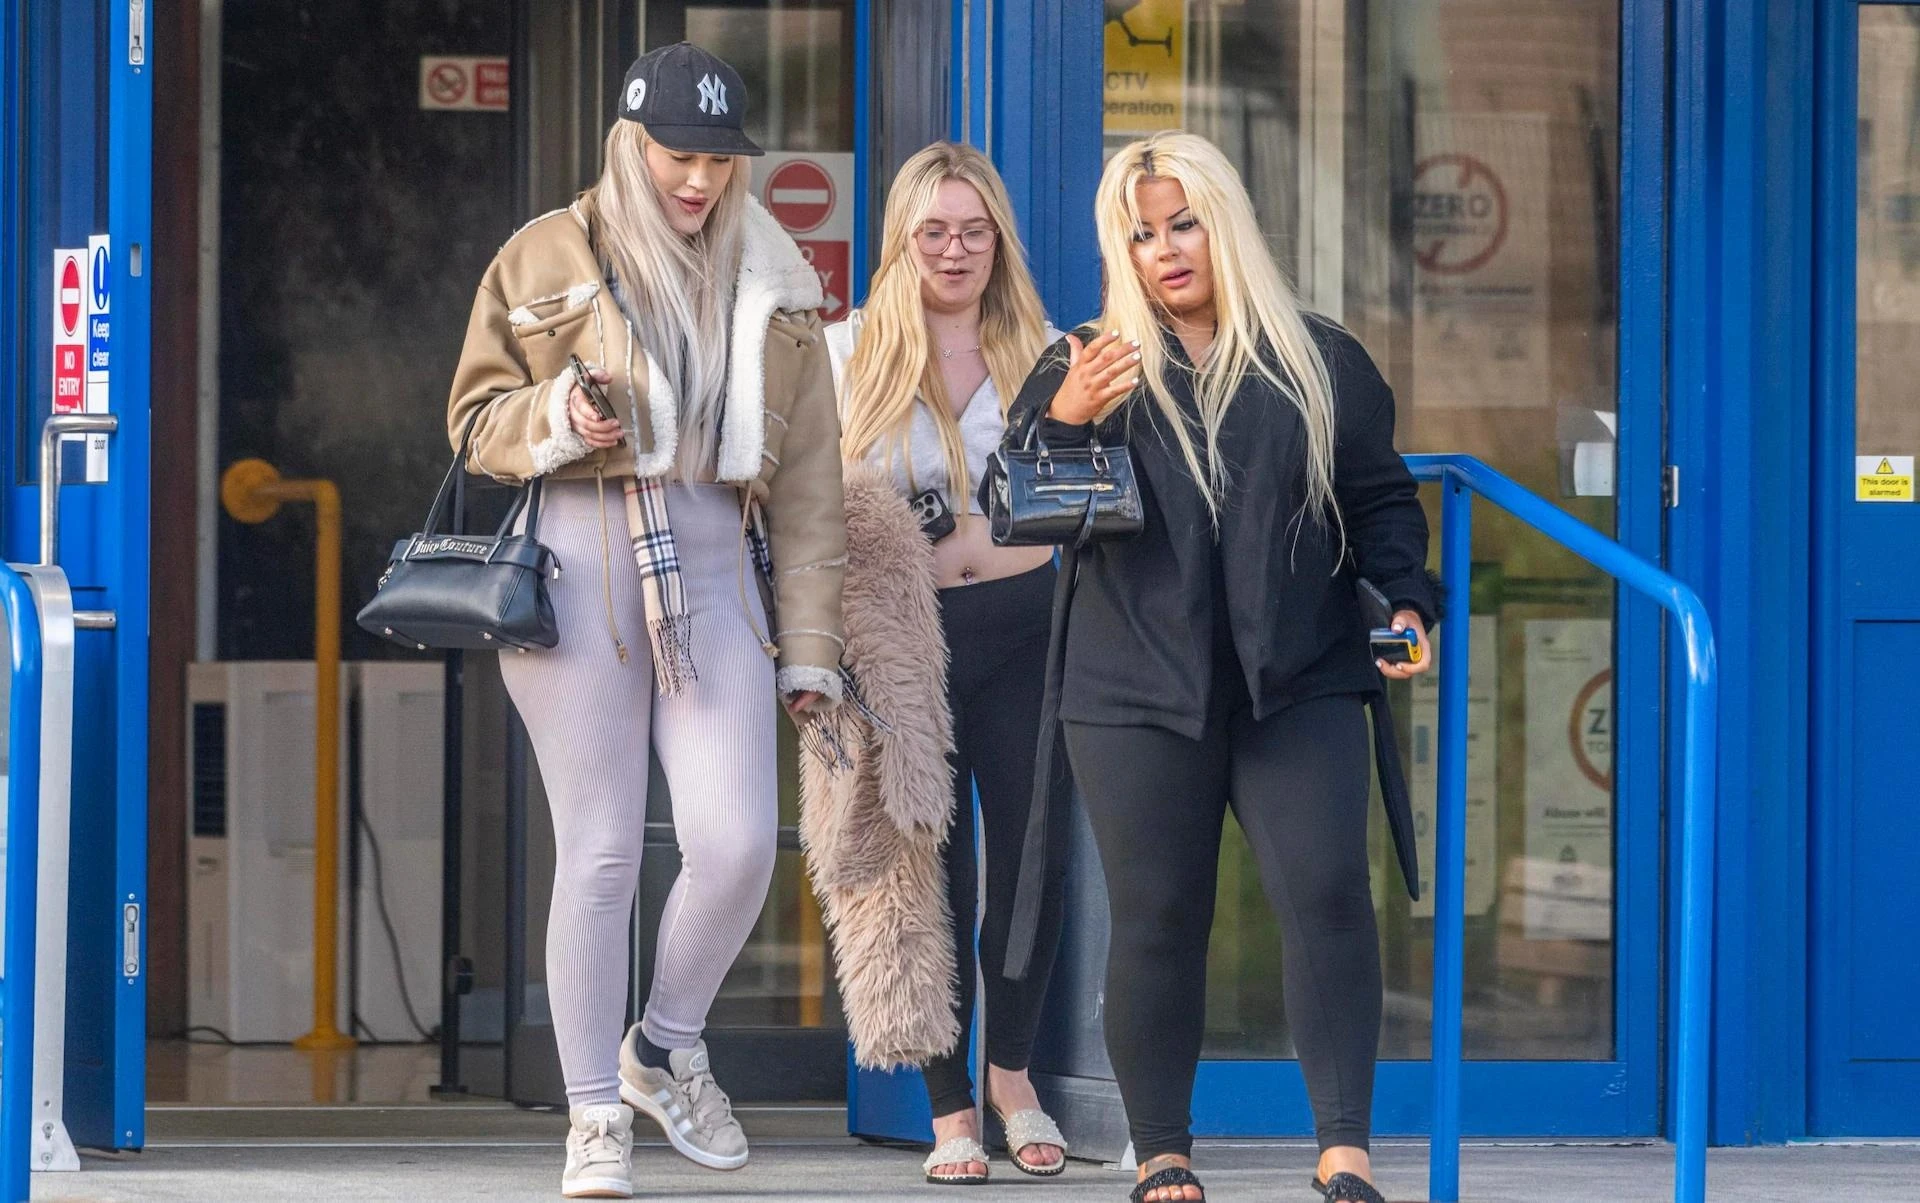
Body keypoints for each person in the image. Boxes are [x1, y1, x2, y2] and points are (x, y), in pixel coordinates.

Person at [993, 131, 1438, 1203]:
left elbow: (1381, 501)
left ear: (1224, 223)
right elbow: (1013, 506)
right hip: (1133, 690)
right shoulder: (1088, 361)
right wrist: (1066, 419)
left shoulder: (1319, 359)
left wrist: (1407, 601)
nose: (1166, 249)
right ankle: (1163, 1152)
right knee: (1157, 916)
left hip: (1302, 676)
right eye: (1142, 234)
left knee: (1329, 895)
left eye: (1183, 223)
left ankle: (1344, 1151)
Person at [445, 43, 844, 1199]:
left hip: (715, 575)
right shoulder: (544, 253)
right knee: (603, 852)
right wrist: (558, 416)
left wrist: (809, 648)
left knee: (735, 845)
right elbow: (473, 422)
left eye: (721, 160)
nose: (701, 180)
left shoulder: (777, 278)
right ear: (632, 144)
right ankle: (592, 1117)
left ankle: (662, 1047)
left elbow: (811, 487)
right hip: (580, 567)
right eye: (679, 156)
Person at [825, 142, 1071, 1185]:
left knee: (1032, 859)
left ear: (999, 240)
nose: (955, 250)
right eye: (934, 231)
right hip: (905, 639)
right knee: (921, 866)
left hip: (1031, 622)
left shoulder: (1051, 351)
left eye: (974, 231)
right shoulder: (845, 353)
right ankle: (948, 1107)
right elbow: (798, 509)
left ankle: (1011, 1072)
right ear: (902, 240)